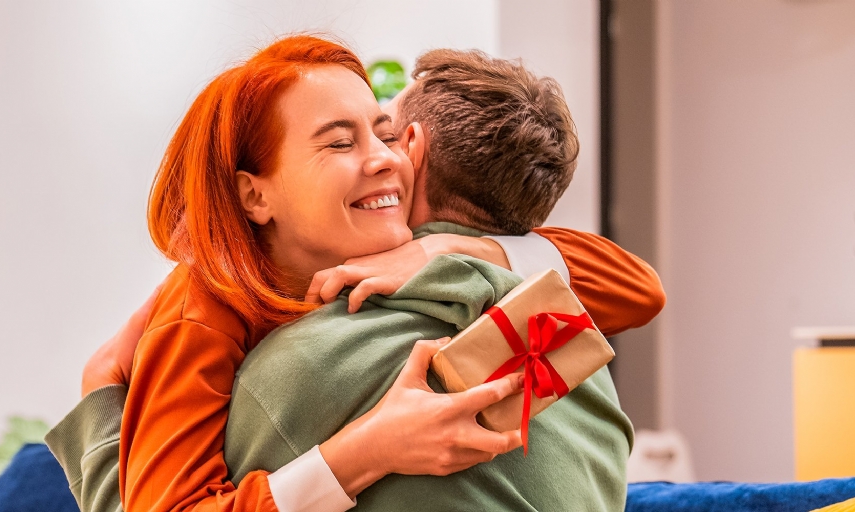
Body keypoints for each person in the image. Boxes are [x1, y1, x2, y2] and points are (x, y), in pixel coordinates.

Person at [45, 37, 664, 512]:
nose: (383, 159)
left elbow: (636, 287)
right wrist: (363, 452)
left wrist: (442, 249)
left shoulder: (430, 263)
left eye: (384, 132)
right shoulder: (205, 310)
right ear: (255, 196)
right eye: (340, 142)